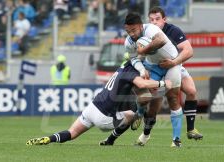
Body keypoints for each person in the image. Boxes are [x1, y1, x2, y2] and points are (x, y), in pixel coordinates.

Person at [26, 62, 172, 146]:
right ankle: (110, 140)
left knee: (72, 133)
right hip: (103, 118)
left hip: (92, 107)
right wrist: (162, 83)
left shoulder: (122, 67)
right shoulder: (132, 72)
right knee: (131, 115)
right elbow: (141, 83)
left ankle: (48, 139)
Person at [101, 12, 183, 147]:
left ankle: (176, 139)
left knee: (173, 99)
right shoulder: (128, 41)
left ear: (140, 26)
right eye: (128, 31)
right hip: (153, 66)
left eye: (133, 30)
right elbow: (133, 58)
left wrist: (143, 50)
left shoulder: (150, 29)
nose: (131, 34)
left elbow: (161, 40)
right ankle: (139, 112)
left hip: (171, 64)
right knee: (143, 96)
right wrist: (141, 70)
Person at [134, 6, 203, 146]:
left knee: (190, 91)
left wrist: (174, 62)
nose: (154, 22)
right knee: (152, 105)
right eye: (151, 19)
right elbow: (136, 54)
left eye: (157, 19)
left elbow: (189, 51)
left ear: (164, 20)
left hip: (173, 65)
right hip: (155, 68)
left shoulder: (173, 30)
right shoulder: (145, 32)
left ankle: (189, 130)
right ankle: (145, 135)